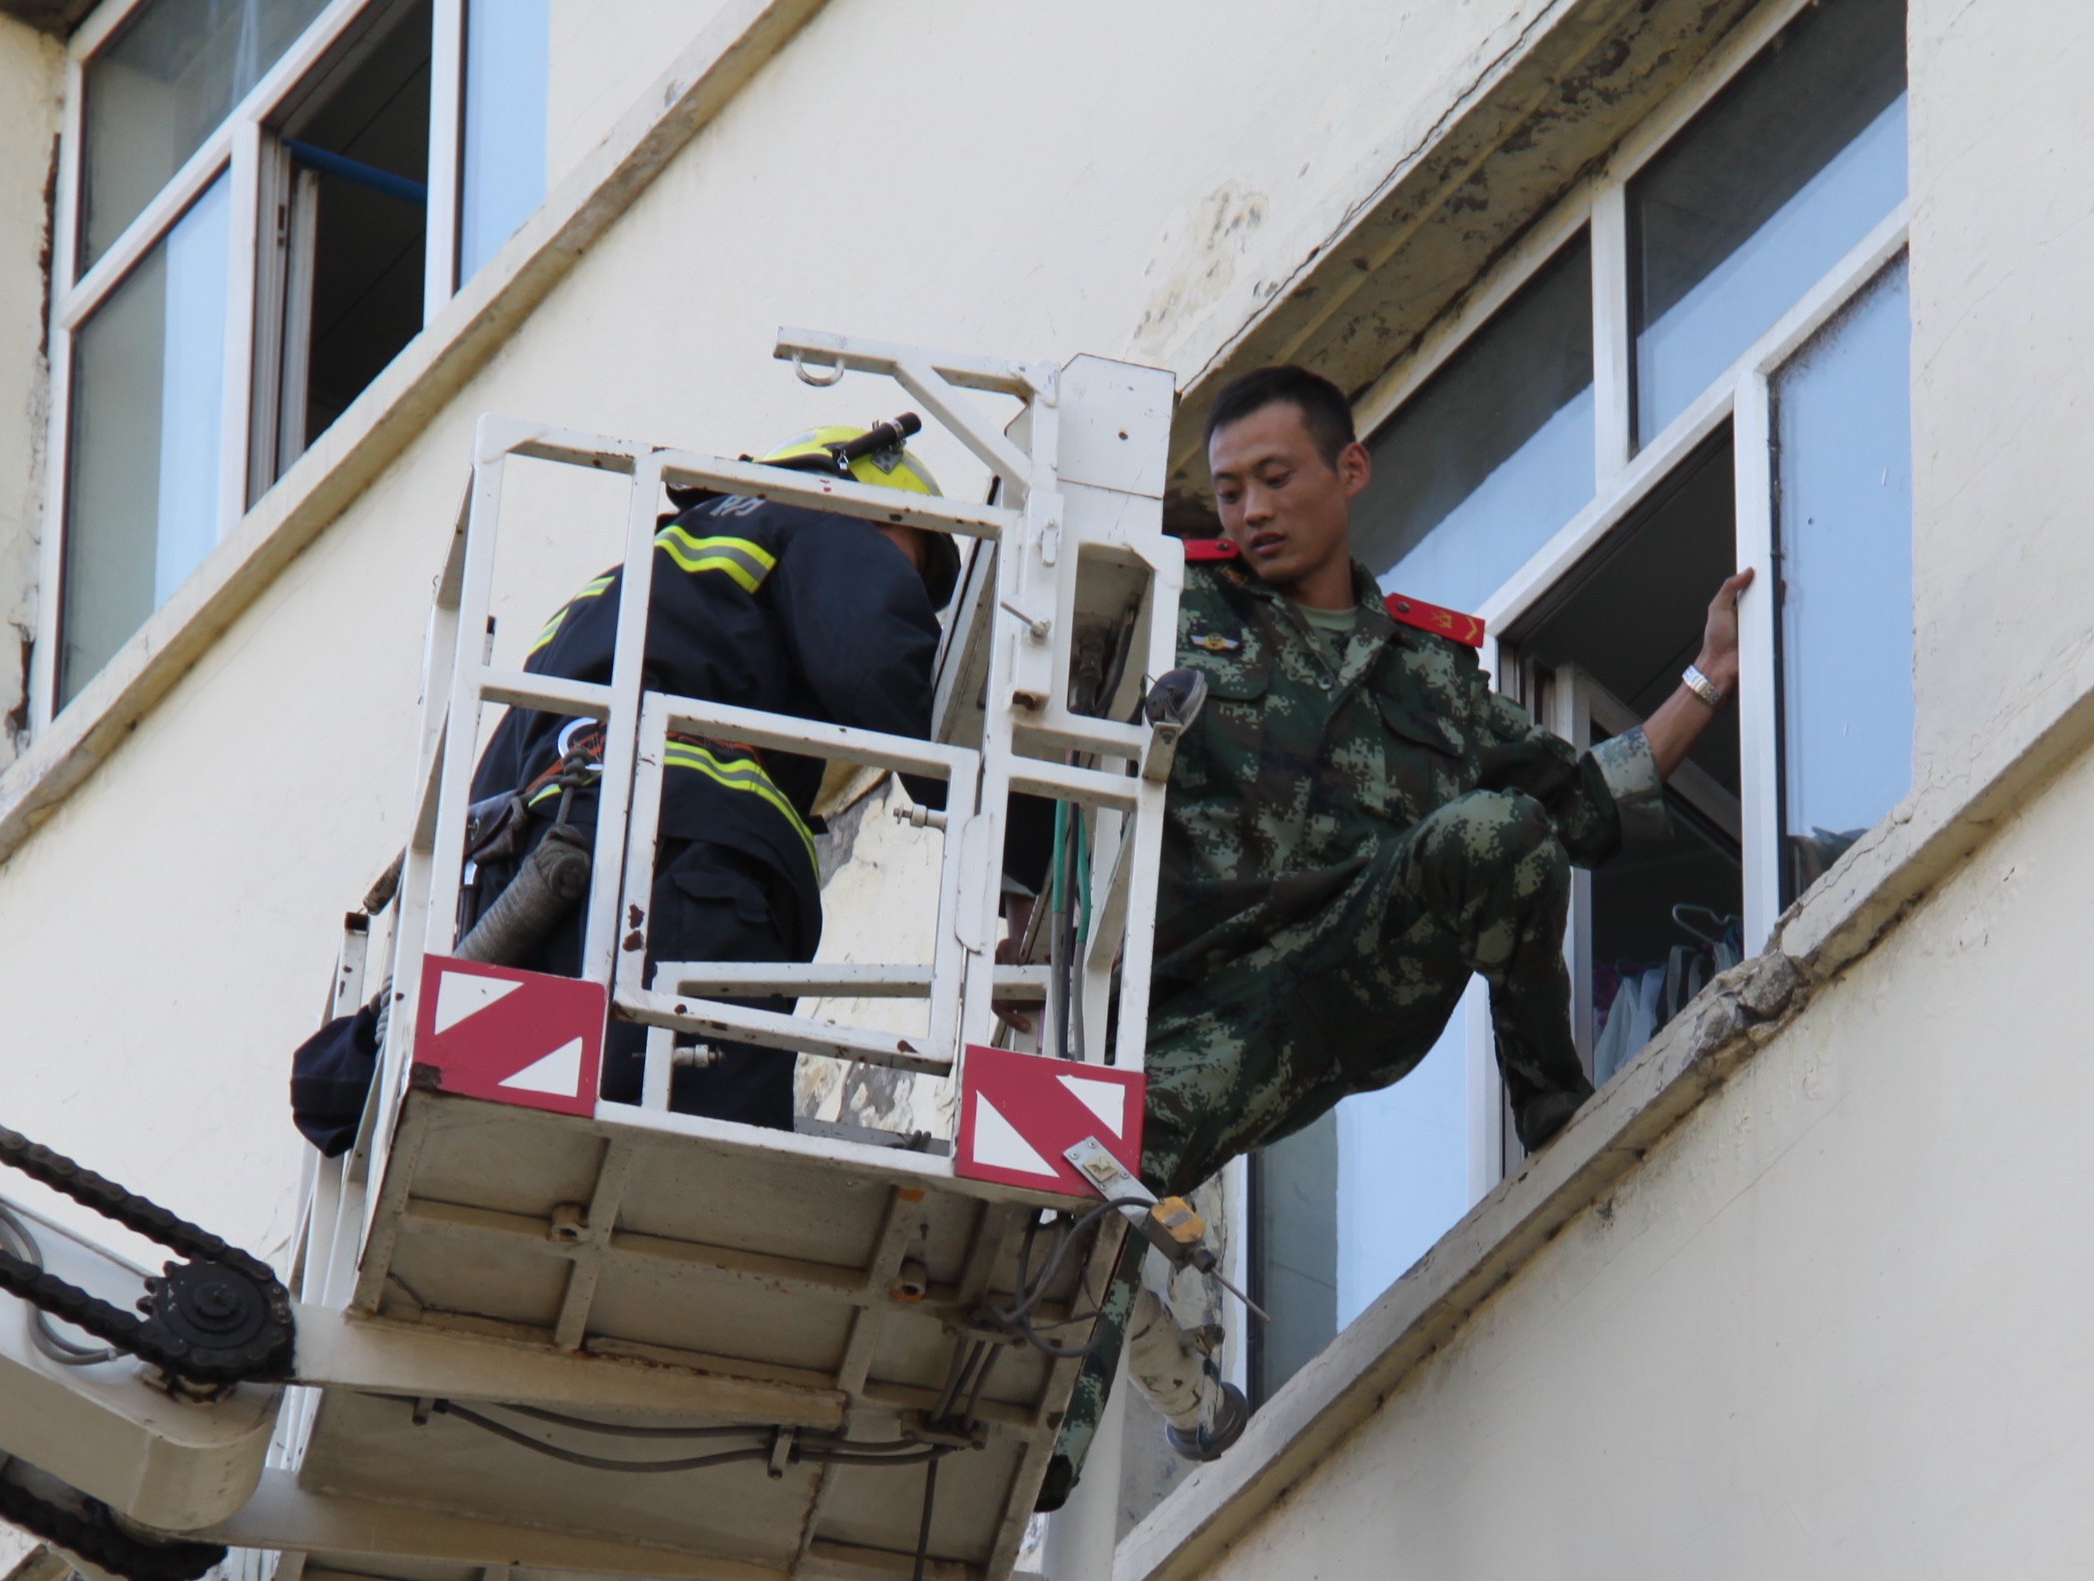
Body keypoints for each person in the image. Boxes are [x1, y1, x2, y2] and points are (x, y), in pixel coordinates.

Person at [1038, 363, 1752, 1498]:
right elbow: (1043, 746)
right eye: (1228, 493)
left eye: (1275, 479)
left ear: (1349, 470)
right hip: (1204, 1013)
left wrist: (1706, 683)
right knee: (1086, 1160)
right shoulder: (1175, 614)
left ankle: (1551, 1107)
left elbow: (1575, 805)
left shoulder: (1430, 673)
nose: (1252, 511)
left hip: (1361, 972)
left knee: (1498, 832)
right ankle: (1040, 1467)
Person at [446, 421, 960, 1127]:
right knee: (709, 1150)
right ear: (862, 500)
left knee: (543, 1130)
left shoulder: (613, 592)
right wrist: (994, 818)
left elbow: (491, 792)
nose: (901, 581)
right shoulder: (817, 514)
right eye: (906, 557)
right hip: (681, 874)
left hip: (539, 901)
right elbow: (877, 663)